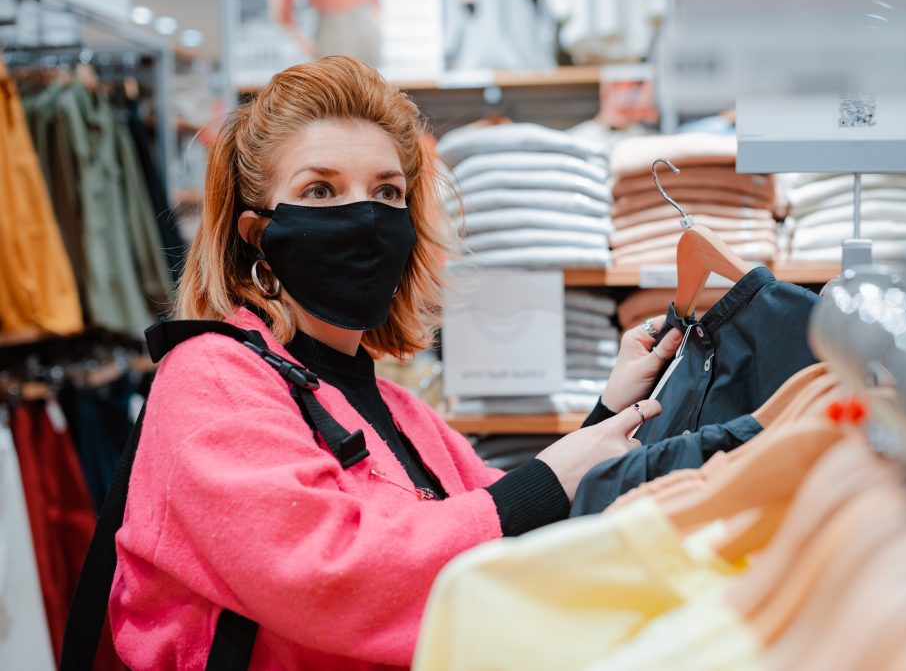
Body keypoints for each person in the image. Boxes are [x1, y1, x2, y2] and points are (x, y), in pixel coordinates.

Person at [109, 55, 683, 670]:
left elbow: (498, 518)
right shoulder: (212, 378)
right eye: (320, 190)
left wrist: (605, 416)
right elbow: (326, 573)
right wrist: (549, 477)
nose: (364, 217)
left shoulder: (396, 411)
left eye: (387, 191)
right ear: (256, 235)